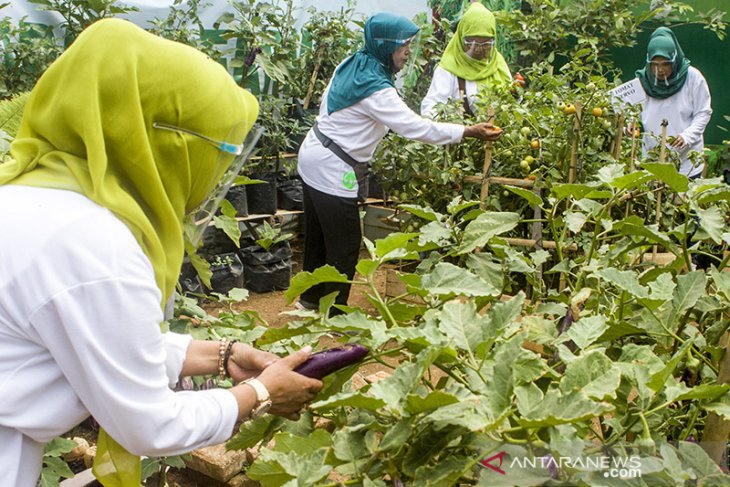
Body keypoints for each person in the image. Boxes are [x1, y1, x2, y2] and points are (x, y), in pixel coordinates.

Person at [0, 19, 322, 487]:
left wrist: (219, 354)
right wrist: (260, 392)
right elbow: (150, 422)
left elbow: (87, 332)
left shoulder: (28, 197)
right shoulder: (95, 246)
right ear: (171, 145)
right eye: (219, 153)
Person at [296, 12, 502, 312]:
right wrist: (467, 131)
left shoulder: (356, 61)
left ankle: (310, 302)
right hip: (333, 166)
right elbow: (415, 127)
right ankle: (334, 312)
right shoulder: (376, 90)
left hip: (315, 152)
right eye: (403, 45)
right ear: (385, 45)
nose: (407, 51)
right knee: (345, 244)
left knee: (320, 236)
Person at [635, 26, 712, 178]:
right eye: (655, 65)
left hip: (686, 162)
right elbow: (631, 113)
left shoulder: (693, 78)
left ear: (675, 59)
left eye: (665, 64)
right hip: (652, 161)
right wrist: (630, 125)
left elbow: (703, 112)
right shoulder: (642, 80)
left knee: (682, 200)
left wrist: (687, 136)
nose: (660, 70)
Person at [421, 2, 514, 118]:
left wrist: (514, 93)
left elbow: (511, 107)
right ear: (461, 38)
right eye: (472, 43)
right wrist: (456, 129)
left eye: (486, 43)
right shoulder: (449, 68)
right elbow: (430, 110)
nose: (479, 49)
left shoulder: (498, 64)